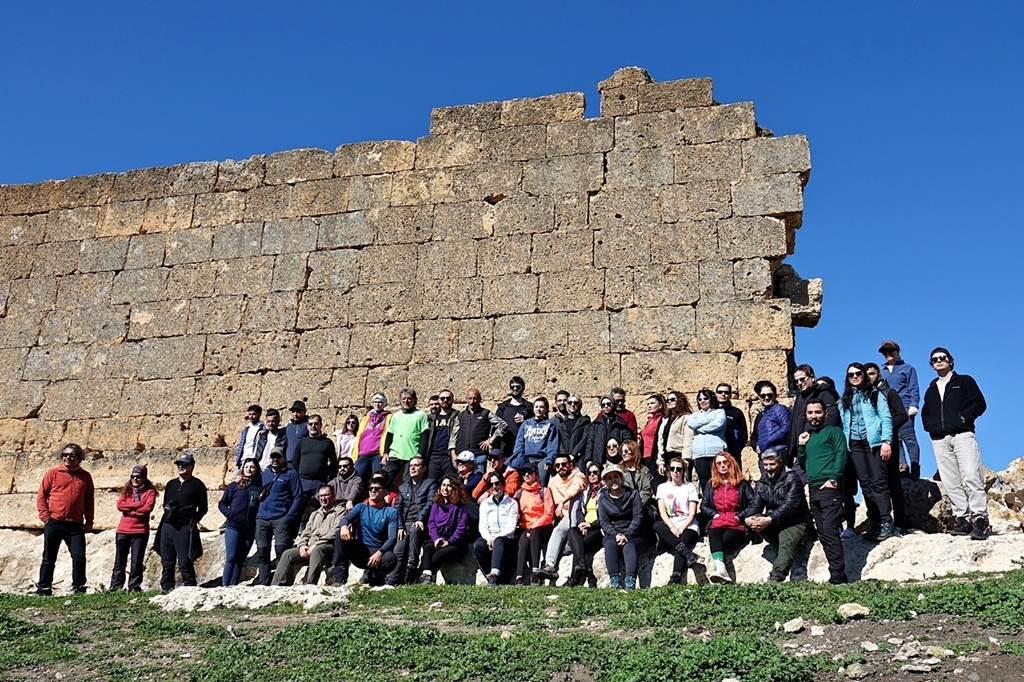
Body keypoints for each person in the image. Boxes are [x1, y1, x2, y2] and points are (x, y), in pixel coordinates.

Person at [921, 347, 989, 540]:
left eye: (943, 358)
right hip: (940, 439)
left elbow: (979, 403)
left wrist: (963, 418)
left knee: (971, 475)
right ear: (931, 364)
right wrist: (930, 426)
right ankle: (963, 520)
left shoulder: (964, 381)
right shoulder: (932, 388)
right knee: (950, 481)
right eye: (934, 359)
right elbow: (926, 412)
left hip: (962, 435)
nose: (939, 361)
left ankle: (980, 519)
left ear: (951, 361)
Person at [839, 363, 894, 541]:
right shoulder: (844, 400)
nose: (854, 377)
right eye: (850, 375)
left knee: (878, 482)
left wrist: (886, 441)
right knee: (865, 484)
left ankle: (886, 522)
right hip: (854, 445)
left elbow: (886, 417)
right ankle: (875, 522)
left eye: (858, 373)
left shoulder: (875, 394)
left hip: (874, 443)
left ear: (864, 375)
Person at [797, 399, 849, 584]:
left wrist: (833, 479)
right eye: (810, 413)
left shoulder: (834, 432)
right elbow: (804, 464)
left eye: (817, 412)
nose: (814, 416)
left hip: (829, 488)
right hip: (813, 489)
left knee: (829, 530)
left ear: (825, 413)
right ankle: (835, 573)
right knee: (823, 532)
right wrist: (802, 446)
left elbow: (841, 454)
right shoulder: (809, 436)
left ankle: (838, 574)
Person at [35, 443, 95, 596]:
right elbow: (42, 495)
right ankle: (44, 587)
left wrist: (89, 521)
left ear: (80, 458)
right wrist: (45, 517)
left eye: (72, 455)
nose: (68, 457)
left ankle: (79, 586)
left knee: (79, 556)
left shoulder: (86, 476)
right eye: (65, 455)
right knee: (49, 556)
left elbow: (89, 501)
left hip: (75, 525)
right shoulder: (53, 473)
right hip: (54, 522)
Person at [744, 451, 811, 582]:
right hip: (774, 522)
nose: (768, 468)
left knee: (786, 542)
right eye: (766, 465)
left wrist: (769, 519)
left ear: (780, 463)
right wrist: (749, 519)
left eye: (772, 464)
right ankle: (789, 548)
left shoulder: (793, 479)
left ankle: (776, 577)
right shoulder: (762, 482)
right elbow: (755, 506)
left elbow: (790, 506)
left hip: (795, 522)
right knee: (756, 519)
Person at [865, 362, 910, 536]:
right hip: (870, 446)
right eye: (866, 374)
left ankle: (899, 524)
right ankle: (879, 522)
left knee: (893, 483)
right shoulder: (863, 396)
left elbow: (902, 415)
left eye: (872, 373)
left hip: (889, 444)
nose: (869, 377)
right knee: (874, 483)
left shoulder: (889, 393)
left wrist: (885, 430)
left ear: (879, 375)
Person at [272, 486, 345, 586]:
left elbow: (335, 532)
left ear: (333, 496)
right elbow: (306, 532)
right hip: (309, 546)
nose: (323, 498)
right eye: (321, 496)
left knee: (317, 550)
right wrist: (302, 545)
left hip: (328, 547)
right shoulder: (315, 514)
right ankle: (277, 584)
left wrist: (316, 545)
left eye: (326, 495)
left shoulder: (340, 512)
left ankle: (310, 584)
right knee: (287, 554)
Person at [335, 476, 401, 586]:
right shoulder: (361, 507)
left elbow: (393, 537)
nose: (373, 491)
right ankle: (339, 577)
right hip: (361, 550)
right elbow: (345, 519)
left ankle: (375, 577)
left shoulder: (391, 512)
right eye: (371, 488)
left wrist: (380, 553)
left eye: (377, 488)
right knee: (339, 534)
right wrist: (344, 526)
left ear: (385, 492)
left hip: (378, 551)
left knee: (391, 559)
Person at [700, 453, 753, 584]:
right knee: (713, 534)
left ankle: (721, 571)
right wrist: (714, 515)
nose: (722, 466)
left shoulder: (742, 484)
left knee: (722, 542)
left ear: (731, 463)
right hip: (718, 520)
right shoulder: (711, 484)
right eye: (719, 463)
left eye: (725, 462)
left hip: (737, 523)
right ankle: (721, 570)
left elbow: (754, 504)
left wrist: (739, 516)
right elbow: (704, 505)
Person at [157, 453, 208, 590]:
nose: (181, 466)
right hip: (167, 525)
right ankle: (166, 588)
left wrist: (192, 520)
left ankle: (189, 588)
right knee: (167, 561)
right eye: (179, 464)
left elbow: (203, 508)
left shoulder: (198, 485)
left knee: (185, 561)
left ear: (191, 466)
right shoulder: (171, 484)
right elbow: (165, 503)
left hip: (185, 526)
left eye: (184, 464)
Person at [254, 447, 303, 585]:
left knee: (281, 551)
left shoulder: (291, 474)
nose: (275, 459)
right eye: (272, 457)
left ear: (284, 458)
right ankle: (264, 582)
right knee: (263, 551)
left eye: (278, 457)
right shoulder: (264, 474)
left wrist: (289, 516)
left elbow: (298, 497)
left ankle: (280, 582)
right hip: (262, 518)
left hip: (281, 518)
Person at [654, 456, 704, 585]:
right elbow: (662, 512)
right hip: (670, 524)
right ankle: (687, 554)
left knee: (681, 542)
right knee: (657, 525)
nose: (676, 471)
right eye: (672, 468)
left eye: (679, 469)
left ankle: (675, 576)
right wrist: (672, 527)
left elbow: (692, 513)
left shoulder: (690, 487)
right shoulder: (662, 488)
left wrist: (681, 528)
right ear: (668, 471)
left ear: (683, 471)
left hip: (688, 525)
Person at [537, 454, 586, 583]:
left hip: (581, 514)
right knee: (557, 530)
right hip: (564, 518)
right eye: (557, 465)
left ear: (571, 465)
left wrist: (562, 502)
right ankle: (549, 565)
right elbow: (550, 501)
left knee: (575, 500)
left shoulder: (578, 475)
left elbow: (577, 488)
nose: (560, 467)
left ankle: (572, 537)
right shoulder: (553, 481)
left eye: (564, 464)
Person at [787, 365, 840, 484]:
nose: (799, 383)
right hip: (803, 448)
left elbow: (832, 418)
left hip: (819, 448)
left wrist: (812, 434)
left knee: (805, 483)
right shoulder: (800, 397)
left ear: (812, 377)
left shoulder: (824, 394)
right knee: (795, 485)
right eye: (796, 381)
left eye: (802, 379)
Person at [597, 463, 645, 589]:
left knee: (629, 546)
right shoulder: (603, 498)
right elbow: (604, 521)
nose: (613, 480)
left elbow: (637, 518)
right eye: (609, 478)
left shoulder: (633, 494)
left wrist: (627, 535)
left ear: (621, 478)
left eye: (616, 476)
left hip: (635, 532)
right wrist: (616, 535)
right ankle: (615, 580)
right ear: (606, 482)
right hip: (614, 532)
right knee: (609, 543)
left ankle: (630, 581)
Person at [879, 340, 922, 480]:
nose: (888, 354)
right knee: (895, 439)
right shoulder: (881, 372)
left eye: (890, 351)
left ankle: (915, 467)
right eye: (885, 352)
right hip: (887, 409)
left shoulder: (908, 369)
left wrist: (914, 404)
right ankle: (902, 467)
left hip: (904, 406)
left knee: (909, 437)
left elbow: (913, 387)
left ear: (897, 352)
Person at [391, 456, 437, 584]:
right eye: (411, 465)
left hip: (421, 523)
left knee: (415, 530)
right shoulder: (403, 486)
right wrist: (400, 526)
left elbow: (430, 503)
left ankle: (412, 568)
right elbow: (398, 508)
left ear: (423, 469)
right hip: (405, 523)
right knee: (399, 547)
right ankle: (392, 578)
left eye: (416, 465)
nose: (412, 468)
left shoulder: (430, 483)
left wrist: (420, 518)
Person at [110, 464, 156, 592]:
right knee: (119, 560)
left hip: (140, 531)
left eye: (138, 477)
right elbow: (120, 505)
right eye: (132, 477)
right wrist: (138, 505)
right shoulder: (127, 491)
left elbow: (147, 509)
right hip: (123, 530)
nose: (135, 479)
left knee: (136, 561)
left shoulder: (150, 492)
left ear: (144, 478)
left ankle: (134, 586)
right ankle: (115, 586)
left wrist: (129, 511)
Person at [418, 476, 471, 584]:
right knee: (428, 547)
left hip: (456, 543)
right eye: (443, 485)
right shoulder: (436, 504)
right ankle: (427, 577)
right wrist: (436, 539)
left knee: (437, 555)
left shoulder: (460, 506)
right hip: (439, 538)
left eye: (449, 486)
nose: (445, 488)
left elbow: (461, 527)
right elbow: (431, 524)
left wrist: (449, 541)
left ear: (454, 488)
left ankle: (423, 575)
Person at [218, 458, 261, 586]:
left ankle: (233, 585)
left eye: (252, 467)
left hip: (249, 528)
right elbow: (222, 503)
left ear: (256, 470)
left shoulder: (258, 488)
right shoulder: (234, 486)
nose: (249, 469)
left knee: (240, 559)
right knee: (231, 557)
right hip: (234, 526)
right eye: (247, 467)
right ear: (243, 468)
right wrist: (230, 514)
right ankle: (224, 585)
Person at [474, 471, 520, 585]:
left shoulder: (512, 503)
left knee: (499, 541)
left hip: (507, 539)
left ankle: (495, 574)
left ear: (503, 484)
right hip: (491, 538)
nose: (495, 487)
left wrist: (496, 537)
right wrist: (489, 538)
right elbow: (483, 526)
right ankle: (490, 577)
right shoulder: (485, 504)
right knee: (478, 545)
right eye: (491, 485)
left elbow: (511, 527)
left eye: (497, 483)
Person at [514, 463, 555, 585]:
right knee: (523, 541)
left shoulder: (544, 491)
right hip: (525, 527)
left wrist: (534, 526)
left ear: (536, 474)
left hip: (542, 527)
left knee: (535, 533)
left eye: (529, 472)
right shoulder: (519, 493)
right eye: (524, 472)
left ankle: (535, 571)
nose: (526, 475)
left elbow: (548, 514)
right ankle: (519, 576)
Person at [449, 387, 507, 474]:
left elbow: (503, 425)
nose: (472, 401)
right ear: (466, 399)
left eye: (475, 398)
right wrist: (453, 455)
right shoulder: (460, 416)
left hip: (479, 455)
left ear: (480, 399)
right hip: (462, 456)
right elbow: (453, 436)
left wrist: (490, 440)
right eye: (470, 398)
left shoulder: (486, 413)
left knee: (479, 482)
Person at [565, 462, 605, 587]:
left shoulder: (605, 492)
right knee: (572, 530)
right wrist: (582, 522)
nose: (592, 475)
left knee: (579, 546)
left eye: (595, 472)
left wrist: (591, 525)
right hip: (585, 526)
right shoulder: (586, 492)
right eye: (589, 473)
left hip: (599, 528)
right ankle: (581, 563)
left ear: (600, 474)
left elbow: (606, 516)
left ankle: (573, 580)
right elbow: (578, 511)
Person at [383, 387, 430, 486]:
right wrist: (386, 452)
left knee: (408, 483)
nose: (406, 401)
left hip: (411, 456)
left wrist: (421, 453)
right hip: (394, 455)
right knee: (383, 478)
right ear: (400, 401)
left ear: (414, 400)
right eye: (403, 398)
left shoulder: (421, 415)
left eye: (409, 398)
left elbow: (424, 435)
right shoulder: (396, 416)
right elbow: (390, 434)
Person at [510, 397, 560, 486]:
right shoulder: (526, 423)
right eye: (536, 407)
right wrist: (519, 456)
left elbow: (552, 444)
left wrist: (549, 460)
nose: (538, 409)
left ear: (546, 409)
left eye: (541, 407)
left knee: (542, 483)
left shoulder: (550, 425)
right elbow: (519, 442)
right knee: (527, 483)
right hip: (528, 458)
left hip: (543, 458)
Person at [293, 414, 338, 513]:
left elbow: (334, 463)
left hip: (320, 482)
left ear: (321, 425)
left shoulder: (327, 443)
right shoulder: (301, 443)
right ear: (307, 426)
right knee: (299, 509)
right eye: (310, 424)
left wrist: (328, 479)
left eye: (316, 424)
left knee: (314, 510)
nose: (313, 426)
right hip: (303, 482)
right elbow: (295, 462)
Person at [687, 389, 727, 491]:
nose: (702, 401)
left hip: (716, 451)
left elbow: (718, 424)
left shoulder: (719, 412)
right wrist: (709, 419)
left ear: (711, 399)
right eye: (699, 399)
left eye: (705, 398)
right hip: (699, 453)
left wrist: (700, 429)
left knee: (719, 481)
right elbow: (691, 423)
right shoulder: (694, 415)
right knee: (705, 484)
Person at [351, 394, 391, 485]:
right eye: (375, 402)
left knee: (377, 479)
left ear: (384, 404)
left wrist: (386, 452)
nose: (377, 404)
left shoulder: (388, 417)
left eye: (380, 402)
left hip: (377, 454)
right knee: (358, 478)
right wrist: (354, 455)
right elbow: (359, 436)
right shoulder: (366, 418)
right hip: (363, 453)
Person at [583, 396, 632, 468]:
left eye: (608, 404)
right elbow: (590, 442)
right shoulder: (596, 424)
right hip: (599, 461)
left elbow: (627, 442)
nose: (606, 406)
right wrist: (588, 459)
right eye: (603, 405)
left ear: (613, 405)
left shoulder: (621, 423)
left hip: (617, 461)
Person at [752, 380, 791, 468]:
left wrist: (769, 439)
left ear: (775, 395)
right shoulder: (761, 415)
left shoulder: (779, 409)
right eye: (763, 395)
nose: (766, 398)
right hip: (765, 454)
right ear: (759, 397)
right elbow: (754, 436)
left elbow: (787, 427)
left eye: (769, 395)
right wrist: (756, 446)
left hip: (779, 452)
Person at [426, 390, 459, 481]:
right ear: (439, 400)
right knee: (432, 484)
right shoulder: (431, 418)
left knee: (451, 483)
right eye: (442, 398)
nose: (445, 400)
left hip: (448, 456)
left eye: (448, 398)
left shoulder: (458, 416)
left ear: (453, 400)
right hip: (433, 456)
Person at [495, 376, 532, 458]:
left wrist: (525, 420)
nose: (515, 389)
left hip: (524, 447)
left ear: (523, 388)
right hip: (505, 448)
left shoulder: (529, 407)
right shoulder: (502, 407)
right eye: (512, 387)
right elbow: (495, 427)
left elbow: (536, 424)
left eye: (518, 387)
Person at [661, 391, 694, 478]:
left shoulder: (686, 418)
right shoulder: (666, 420)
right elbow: (661, 440)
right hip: (668, 455)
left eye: (672, 399)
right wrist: (661, 460)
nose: (669, 402)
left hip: (679, 454)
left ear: (680, 400)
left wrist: (686, 458)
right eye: (667, 400)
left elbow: (689, 438)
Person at [716, 384, 749, 466]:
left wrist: (736, 449)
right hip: (715, 453)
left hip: (733, 454)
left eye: (726, 392)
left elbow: (743, 434)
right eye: (720, 392)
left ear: (730, 395)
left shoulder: (737, 412)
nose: (723, 394)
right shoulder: (711, 411)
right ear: (715, 394)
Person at [556, 394, 592, 463]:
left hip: (579, 459)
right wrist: (565, 456)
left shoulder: (585, 421)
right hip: (565, 461)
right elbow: (560, 442)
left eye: (575, 403)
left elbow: (584, 439)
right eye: (570, 402)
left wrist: (573, 454)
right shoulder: (562, 423)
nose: (572, 405)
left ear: (579, 405)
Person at [639, 394, 666, 478]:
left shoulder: (662, 419)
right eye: (648, 404)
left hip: (655, 456)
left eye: (652, 403)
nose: (649, 406)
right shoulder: (649, 421)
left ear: (660, 405)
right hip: (645, 456)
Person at [619, 439, 653, 505]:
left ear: (633, 451)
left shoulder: (644, 470)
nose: (623, 454)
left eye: (626, 451)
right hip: (624, 505)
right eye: (621, 452)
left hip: (642, 504)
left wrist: (636, 503)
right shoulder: (619, 470)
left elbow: (646, 490)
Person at [235, 404, 264, 469]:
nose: (251, 416)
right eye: (249, 414)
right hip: (243, 460)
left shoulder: (263, 429)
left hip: (254, 461)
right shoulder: (246, 429)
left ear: (259, 414)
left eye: (254, 414)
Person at [285, 400, 309, 466]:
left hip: (302, 462)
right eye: (293, 411)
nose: (295, 414)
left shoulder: (308, 426)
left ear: (304, 412)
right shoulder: (289, 427)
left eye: (298, 411)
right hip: (289, 463)